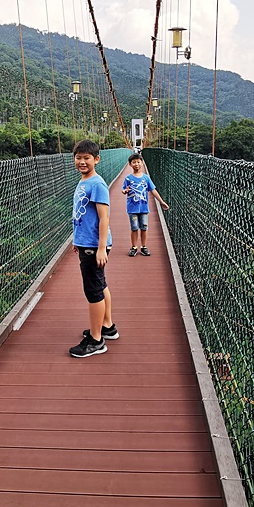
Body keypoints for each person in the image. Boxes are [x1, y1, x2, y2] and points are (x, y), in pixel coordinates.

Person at [68, 139, 116, 358]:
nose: (82, 161)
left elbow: (104, 218)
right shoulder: (84, 181)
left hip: (94, 246)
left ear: (96, 159)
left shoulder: (97, 184)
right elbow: (82, 216)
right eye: (78, 157)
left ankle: (96, 340)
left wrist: (100, 248)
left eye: (87, 158)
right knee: (101, 284)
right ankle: (107, 326)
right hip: (86, 243)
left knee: (93, 291)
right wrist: (77, 240)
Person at [121, 152, 169, 256]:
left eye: (138, 162)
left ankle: (143, 246)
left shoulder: (146, 178)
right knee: (134, 228)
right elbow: (123, 190)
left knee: (144, 227)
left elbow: (153, 190)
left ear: (142, 163)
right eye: (134, 162)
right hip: (132, 208)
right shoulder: (128, 178)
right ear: (130, 164)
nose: (136, 164)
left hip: (143, 208)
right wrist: (125, 191)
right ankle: (134, 247)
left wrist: (161, 202)